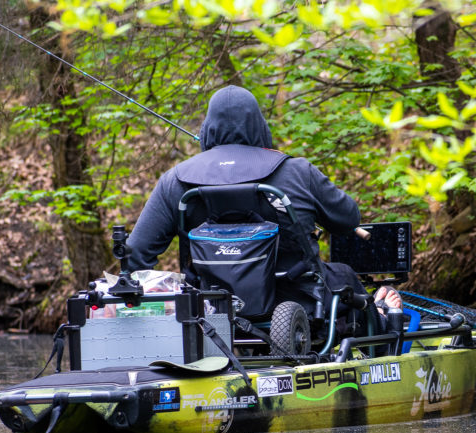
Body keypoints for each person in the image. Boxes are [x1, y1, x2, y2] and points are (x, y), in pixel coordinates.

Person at [126, 85, 381, 311]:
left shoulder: (176, 180)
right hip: (299, 301)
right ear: (260, 125)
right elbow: (349, 218)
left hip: (209, 306)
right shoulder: (296, 171)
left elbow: (136, 252)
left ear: (207, 129)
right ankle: (381, 322)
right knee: (344, 275)